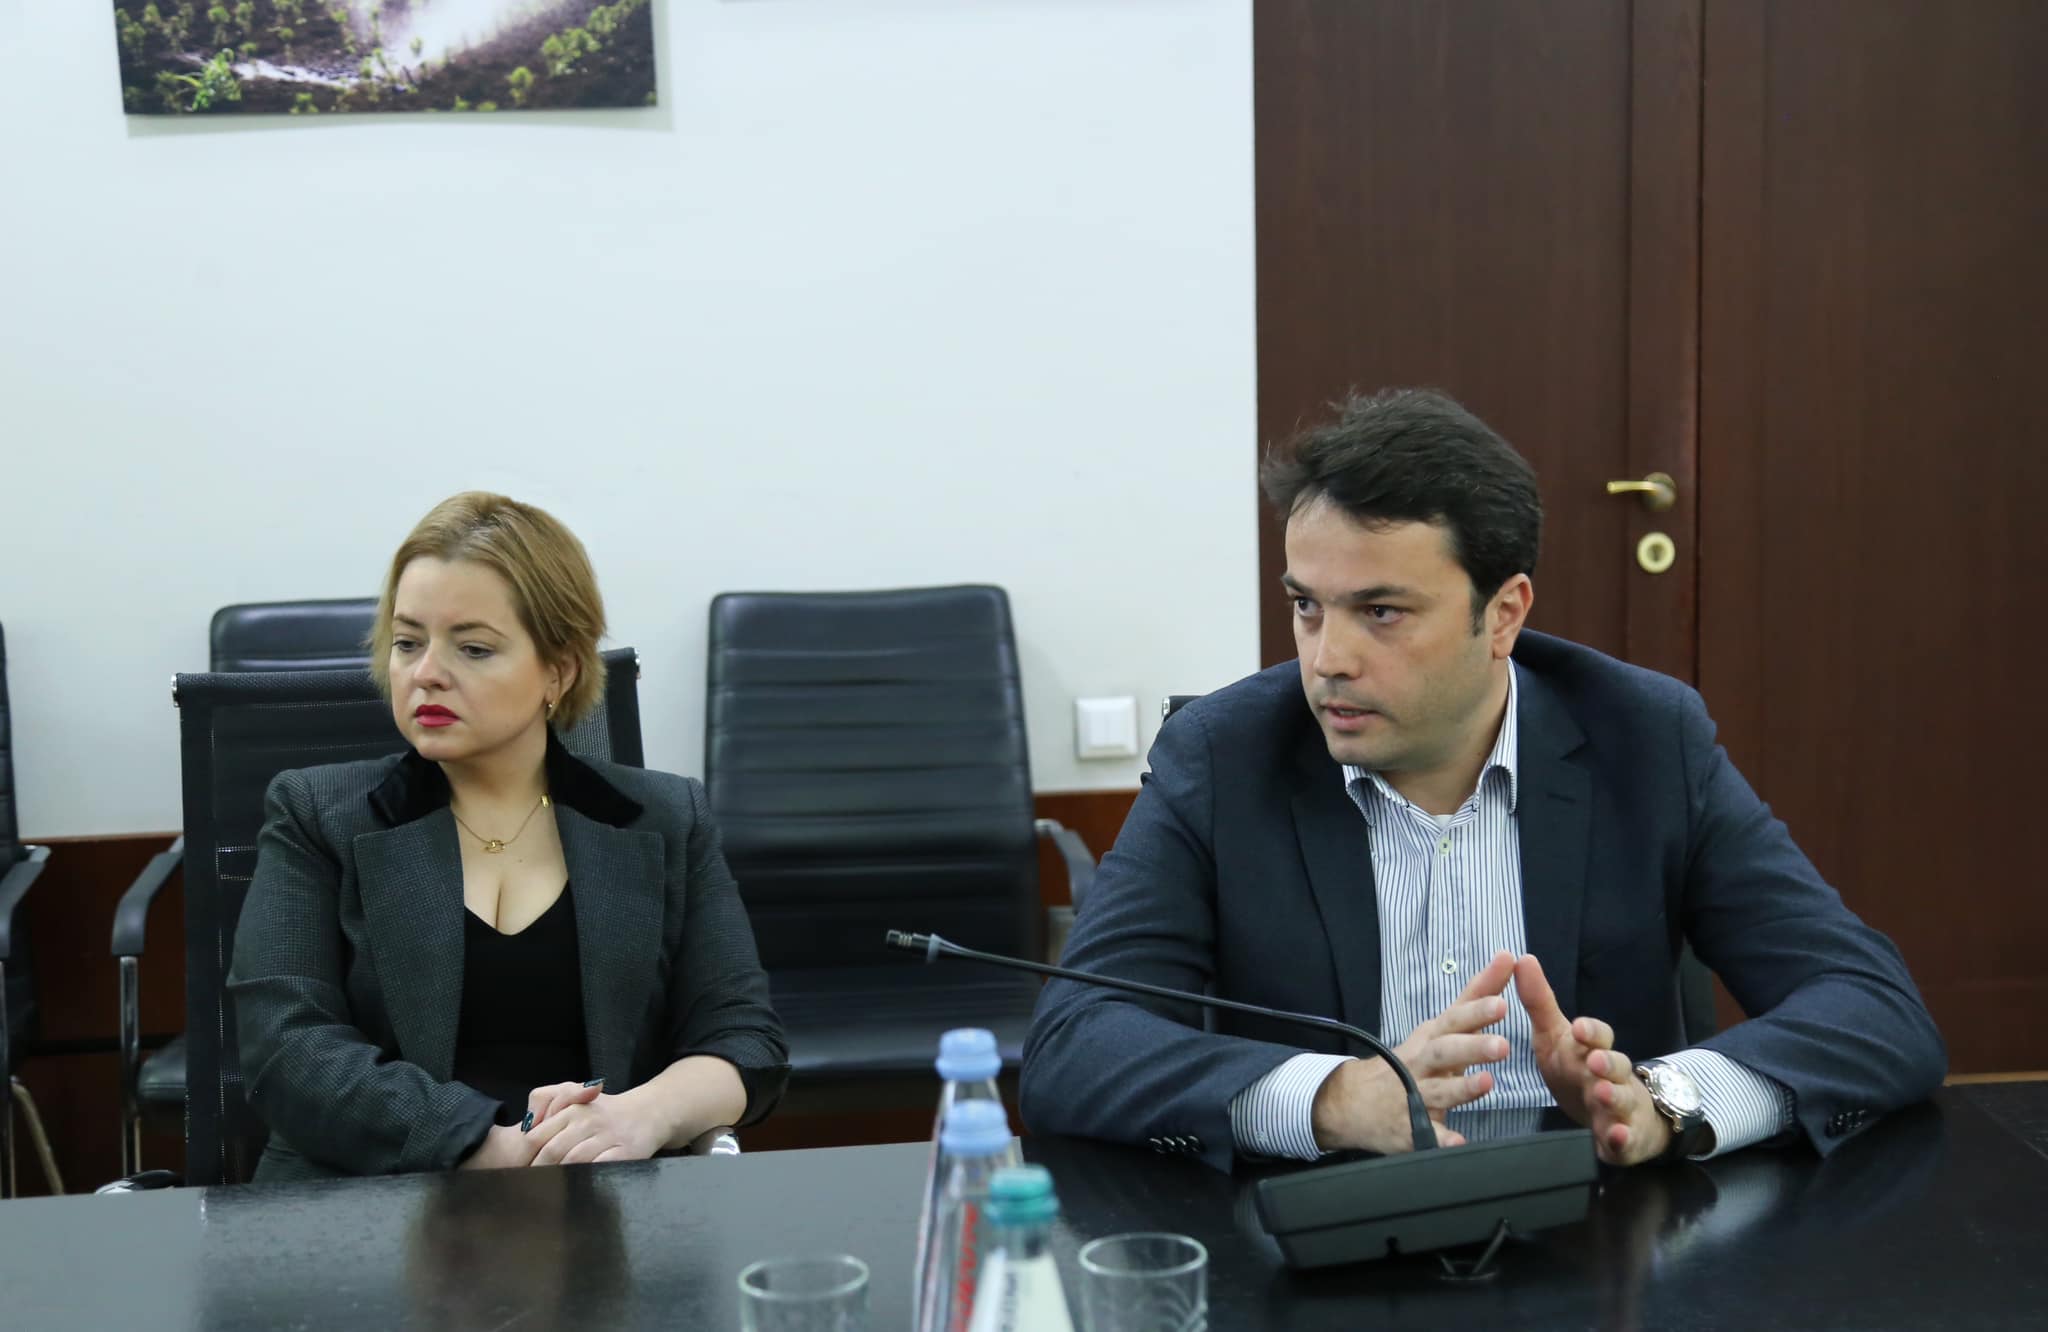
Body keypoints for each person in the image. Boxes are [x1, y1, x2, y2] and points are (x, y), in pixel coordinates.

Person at [1022, 389, 1945, 1173]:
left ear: (1503, 614)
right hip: (1327, 1232)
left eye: (1381, 612)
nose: (1328, 658)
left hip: (1596, 1232)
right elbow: (1073, 1044)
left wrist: (1664, 1101)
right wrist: (1333, 1100)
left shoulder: (1643, 737)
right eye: (1306, 606)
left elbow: (1876, 1012)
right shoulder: (1223, 757)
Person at [229, 492, 787, 1180]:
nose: (425, 673)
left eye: (473, 648)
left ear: (559, 669)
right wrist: (480, 1143)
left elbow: (745, 1040)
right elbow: (285, 1046)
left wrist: (640, 1116)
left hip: (600, 1196)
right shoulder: (317, 813)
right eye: (407, 642)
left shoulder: (666, 818)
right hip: (372, 1204)